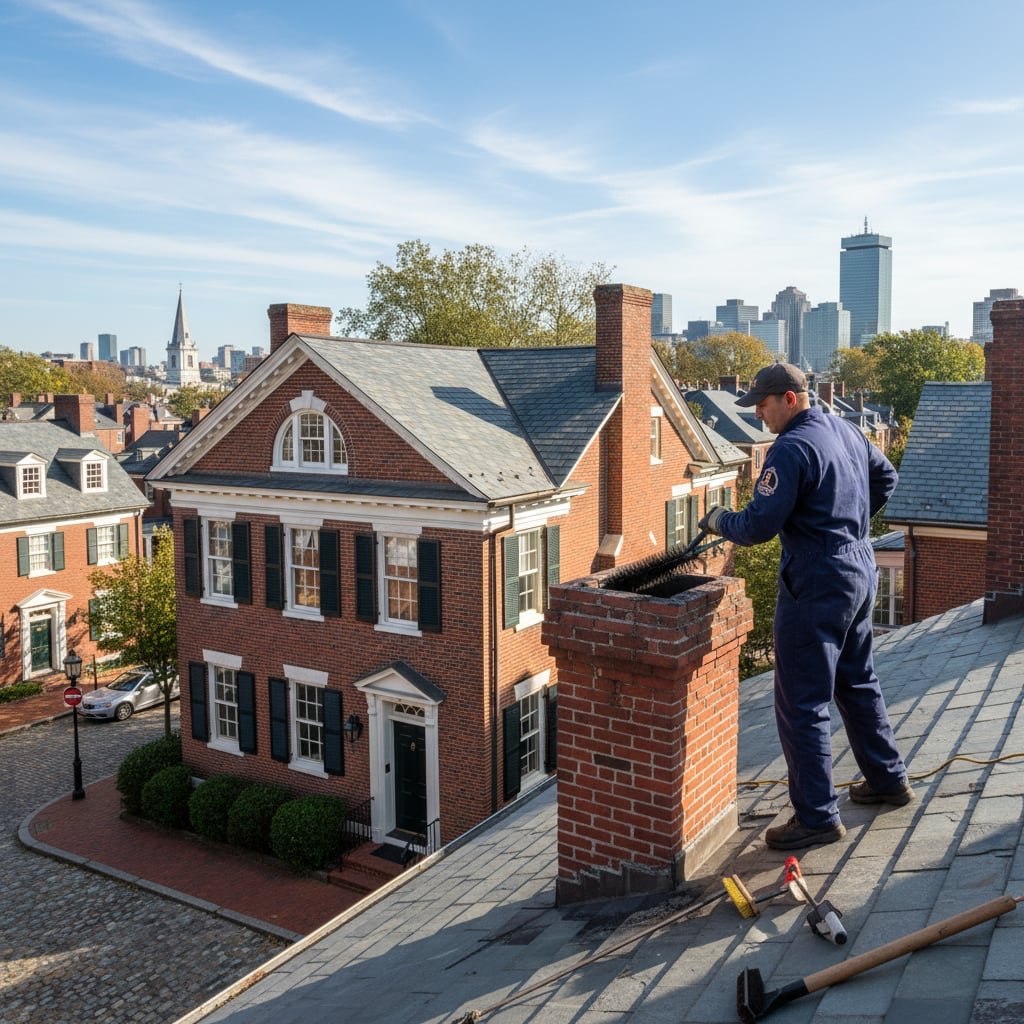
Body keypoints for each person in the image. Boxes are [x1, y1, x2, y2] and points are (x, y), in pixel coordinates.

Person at [699, 362, 913, 851]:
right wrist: (846, 519)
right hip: (858, 567)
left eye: (763, 403)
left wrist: (718, 520)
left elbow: (756, 527)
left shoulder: (790, 448)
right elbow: (887, 477)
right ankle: (887, 780)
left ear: (790, 399)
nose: (758, 413)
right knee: (857, 680)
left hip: (817, 578)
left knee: (802, 700)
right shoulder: (847, 430)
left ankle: (816, 817)